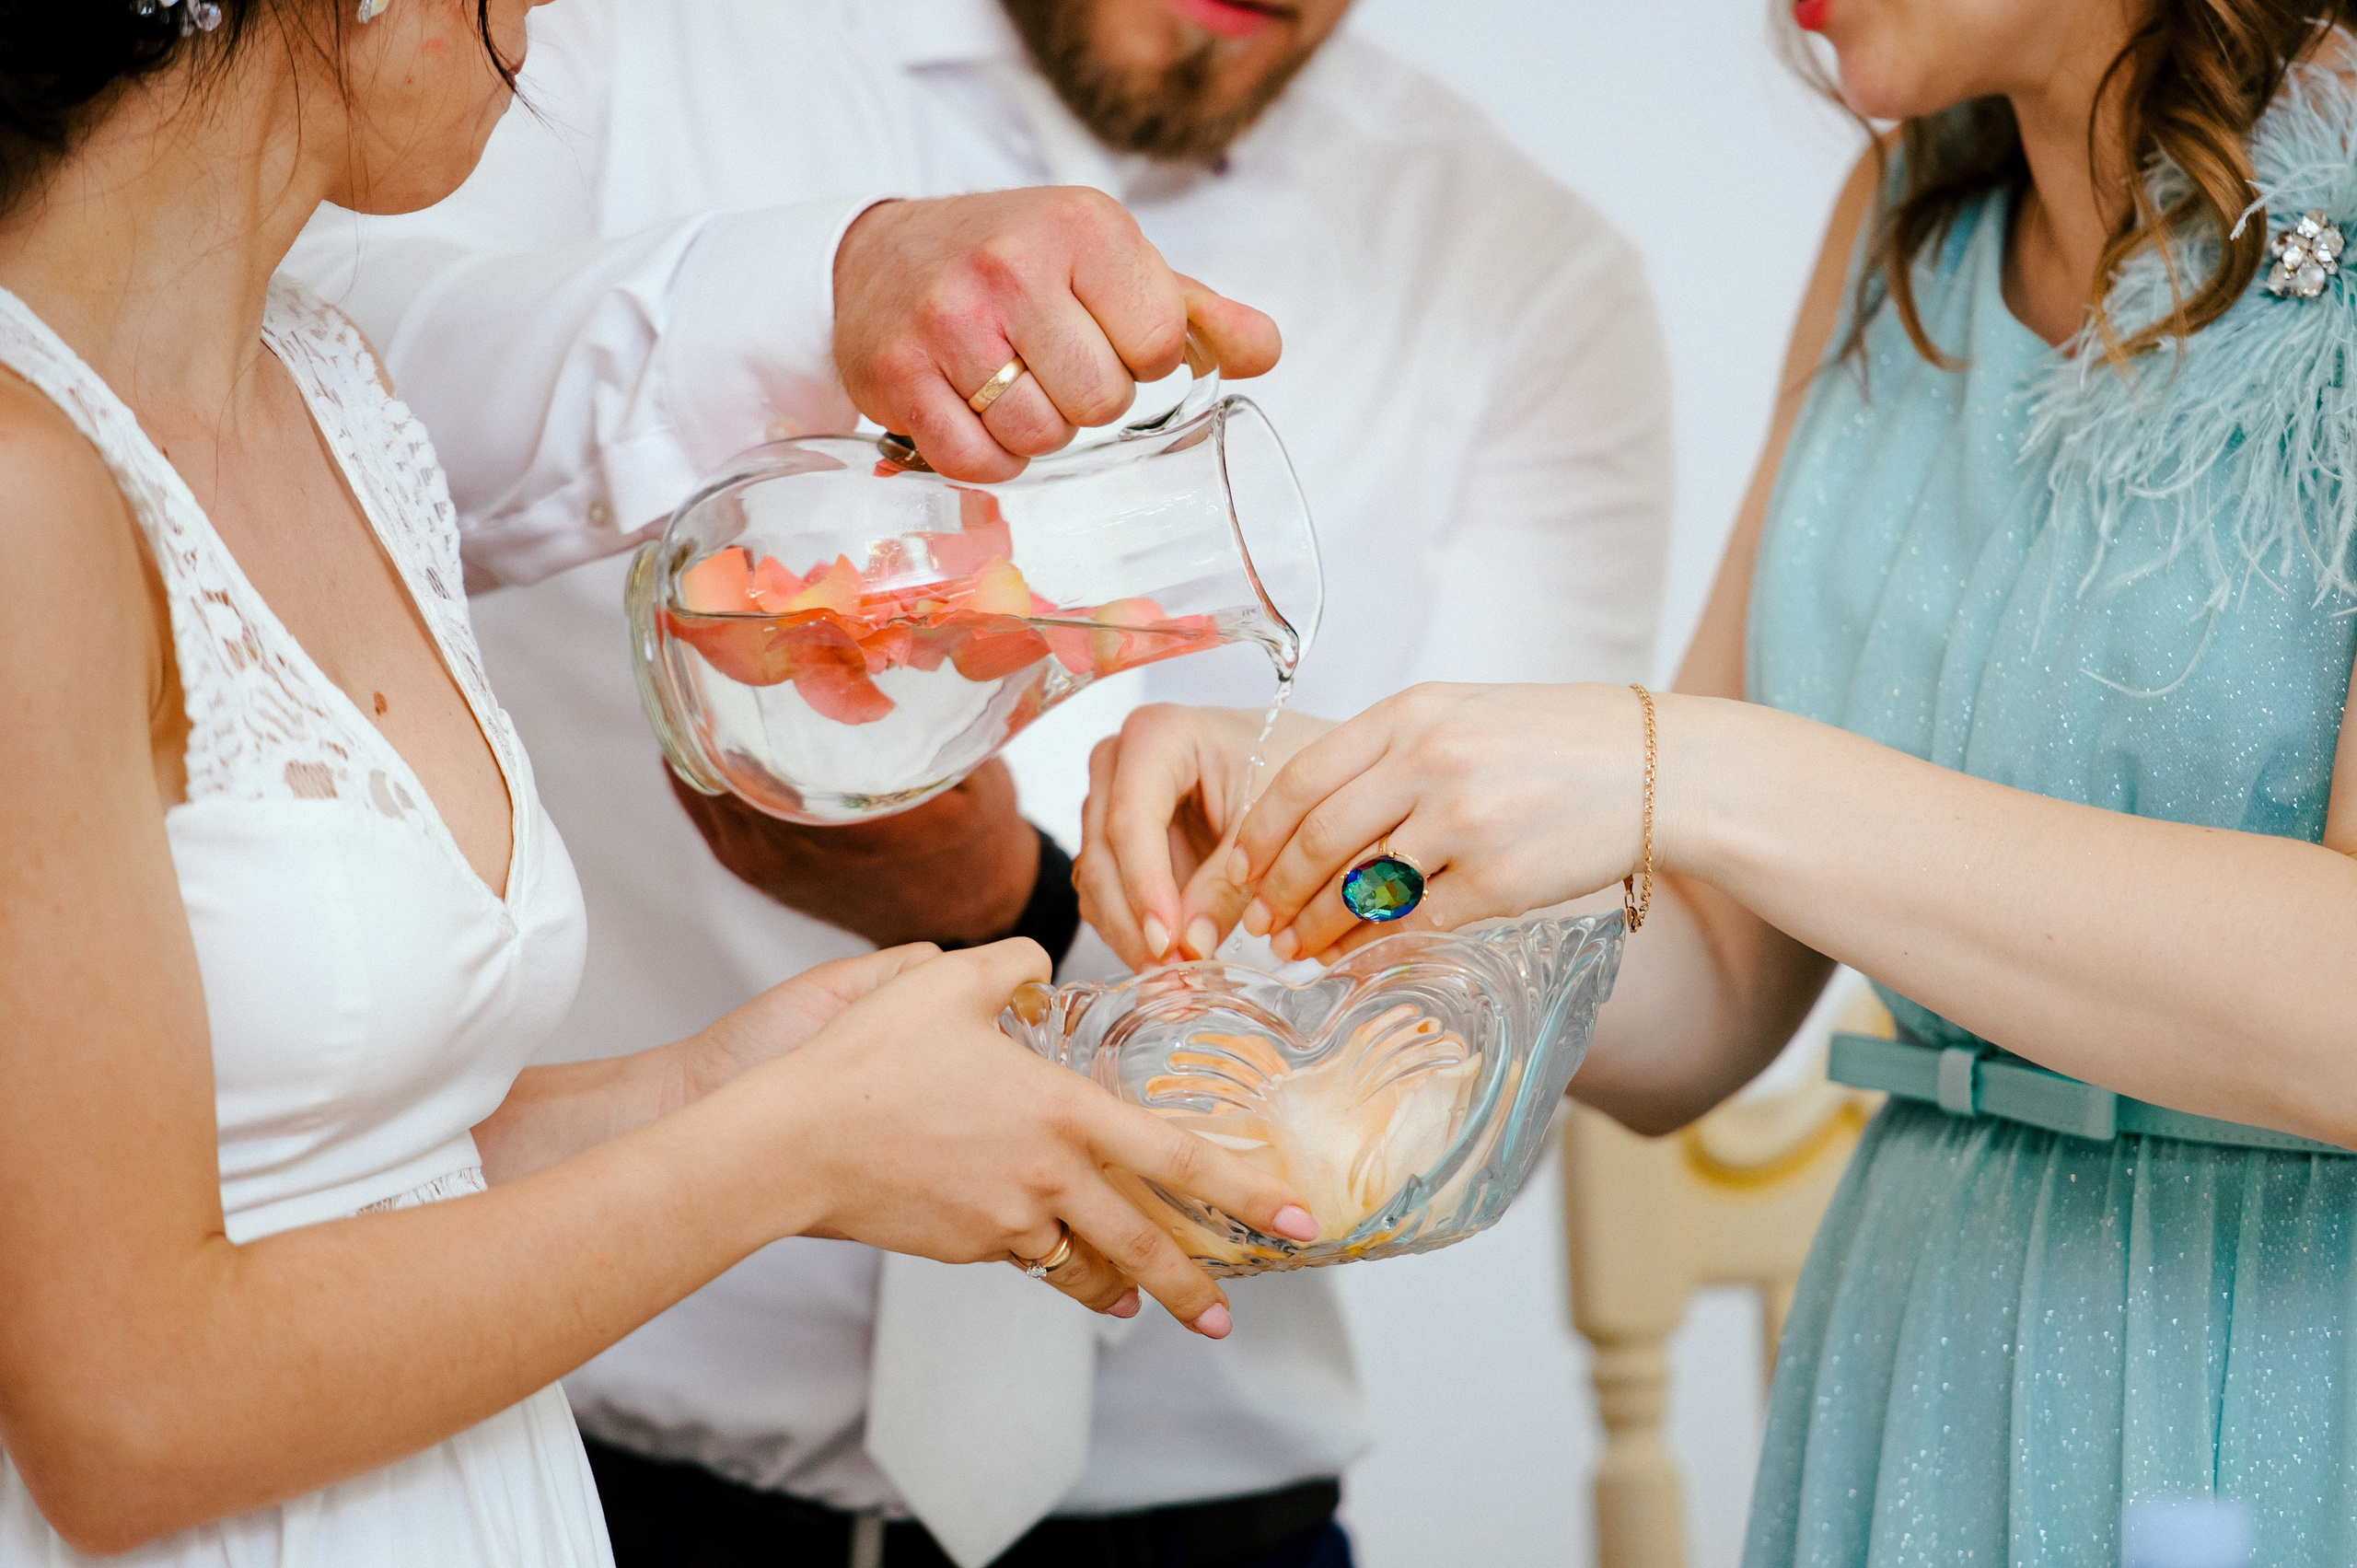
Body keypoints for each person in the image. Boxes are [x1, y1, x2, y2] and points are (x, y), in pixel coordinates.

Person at [288, 0, 1672, 1562]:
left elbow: (1510, 935)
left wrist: (1015, 908)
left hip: (1194, 1495)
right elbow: (270, 345)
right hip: (593, 1460)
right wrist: (821, 285)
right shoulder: (616, 49)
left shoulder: (1525, 277)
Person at [0, 4, 1325, 1562]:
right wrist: (791, 1149)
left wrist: (721, 1090)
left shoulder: (327, 391)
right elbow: (126, 1414)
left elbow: (326, 1169)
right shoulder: (24, 492)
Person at [1079, 2, 2357, 1563]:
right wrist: (1360, 825)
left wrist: (1680, 764)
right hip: (1929, 1366)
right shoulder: (1903, 224)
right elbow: (1707, 996)